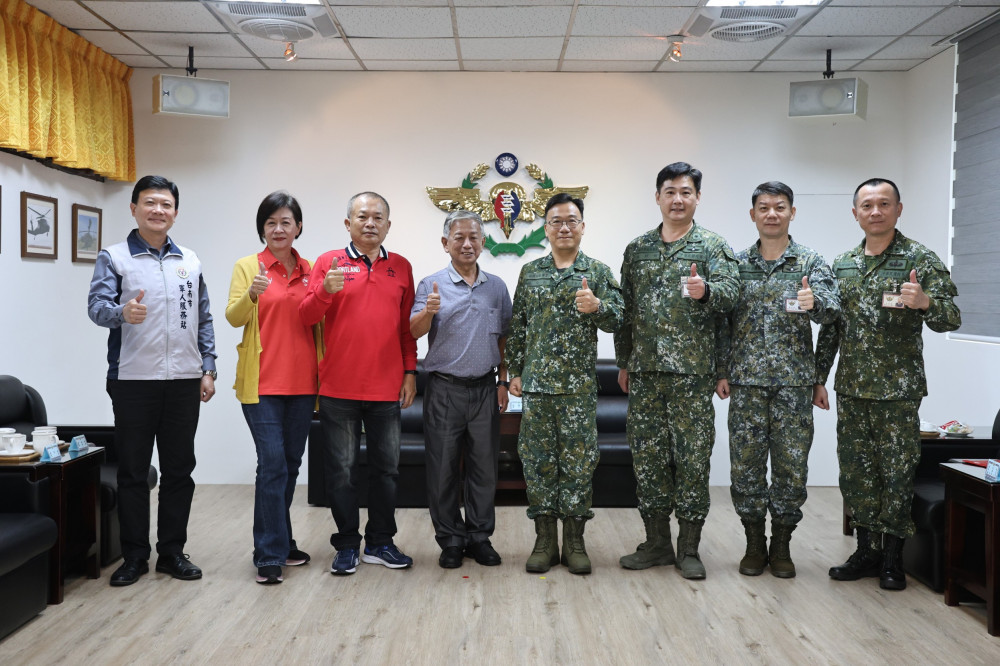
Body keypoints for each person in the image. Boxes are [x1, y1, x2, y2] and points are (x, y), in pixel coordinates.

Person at [816, 178, 961, 590]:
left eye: (884, 204)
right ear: (855, 213)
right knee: (857, 473)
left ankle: (894, 558)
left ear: (899, 209)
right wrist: (818, 378)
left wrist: (926, 302)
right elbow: (831, 327)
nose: (875, 211)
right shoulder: (842, 264)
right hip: (853, 387)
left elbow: (951, 317)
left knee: (896, 473)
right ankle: (866, 551)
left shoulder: (920, 259)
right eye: (867, 205)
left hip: (898, 390)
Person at [88, 175, 217, 586]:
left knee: (180, 470)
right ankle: (134, 556)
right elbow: (96, 306)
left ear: (175, 213)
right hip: (133, 380)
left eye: (165, 204)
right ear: (134, 208)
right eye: (150, 203)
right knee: (133, 471)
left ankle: (172, 553)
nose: (158, 210)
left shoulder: (190, 261)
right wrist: (122, 313)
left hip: (183, 379)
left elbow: (204, 319)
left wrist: (208, 367)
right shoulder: (115, 256)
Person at [615, 162, 739, 580]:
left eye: (686, 192)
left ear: (697, 198)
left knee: (691, 461)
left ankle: (688, 547)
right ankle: (656, 543)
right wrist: (624, 361)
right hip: (646, 373)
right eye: (670, 191)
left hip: (692, 375)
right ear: (658, 197)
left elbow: (731, 298)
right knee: (648, 460)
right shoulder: (638, 249)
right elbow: (625, 311)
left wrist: (706, 292)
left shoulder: (712, 246)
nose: (678, 199)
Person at [714, 181, 840, 578]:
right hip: (746, 385)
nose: (772, 213)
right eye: (764, 207)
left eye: (779, 207)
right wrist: (721, 369)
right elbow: (721, 322)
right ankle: (754, 544)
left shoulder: (811, 262)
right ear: (752, 214)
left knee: (791, 468)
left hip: (794, 387)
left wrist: (814, 303)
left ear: (792, 213)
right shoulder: (735, 264)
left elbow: (833, 312)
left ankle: (782, 545)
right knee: (746, 468)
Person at [299, 191, 417, 576]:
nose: (370, 223)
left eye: (378, 217)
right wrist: (324, 291)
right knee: (342, 472)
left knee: (387, 470)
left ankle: (380, 542)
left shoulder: (400, 267)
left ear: (388, 225)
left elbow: (406, 330)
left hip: (386, 389)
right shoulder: (328, 263)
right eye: (362, 216)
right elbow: (305, 316)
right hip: (337, 389)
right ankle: (347, 544)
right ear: (347, 223)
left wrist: (410, 373)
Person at [506, 192, 623, 575]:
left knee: (578, 464)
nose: (564, 227)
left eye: (571, 220)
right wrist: (515, 372)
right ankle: (544, 541)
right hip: (538, 389)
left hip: (577, 391)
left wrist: (599, 307)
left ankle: (574, 541)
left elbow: (620, 318)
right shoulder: (531, 271)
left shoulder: (599, 273)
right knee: (538, 464)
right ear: (546, 228)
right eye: (556, 221)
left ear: (583, 226)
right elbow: (518, 324)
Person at [226, 191, 323, 585]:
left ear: (298, 227)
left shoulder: (312, 268)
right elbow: (233, 318)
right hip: (262, 384)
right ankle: (268, 553)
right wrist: (251, 295)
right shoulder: (248, 267)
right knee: (272, 464)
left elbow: (318, 318)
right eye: (271, 223)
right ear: (262, 228)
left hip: (303, 384)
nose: (278, 229)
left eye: (286, 222)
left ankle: (281, 542)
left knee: (290, 465)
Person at [410, 210, 513, 569]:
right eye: (459, 238)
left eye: (474, 237)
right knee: (442, 470)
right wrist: (428, 312)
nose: (467, 244)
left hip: (485, 389)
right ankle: (451, 539)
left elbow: (504, 339)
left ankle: (480, 537)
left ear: (484, 242)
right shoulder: (430, 285)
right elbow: (413, 332)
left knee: (485, 469)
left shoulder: (497, 287)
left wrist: (502, 381)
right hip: (444, 389)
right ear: (445, 244)